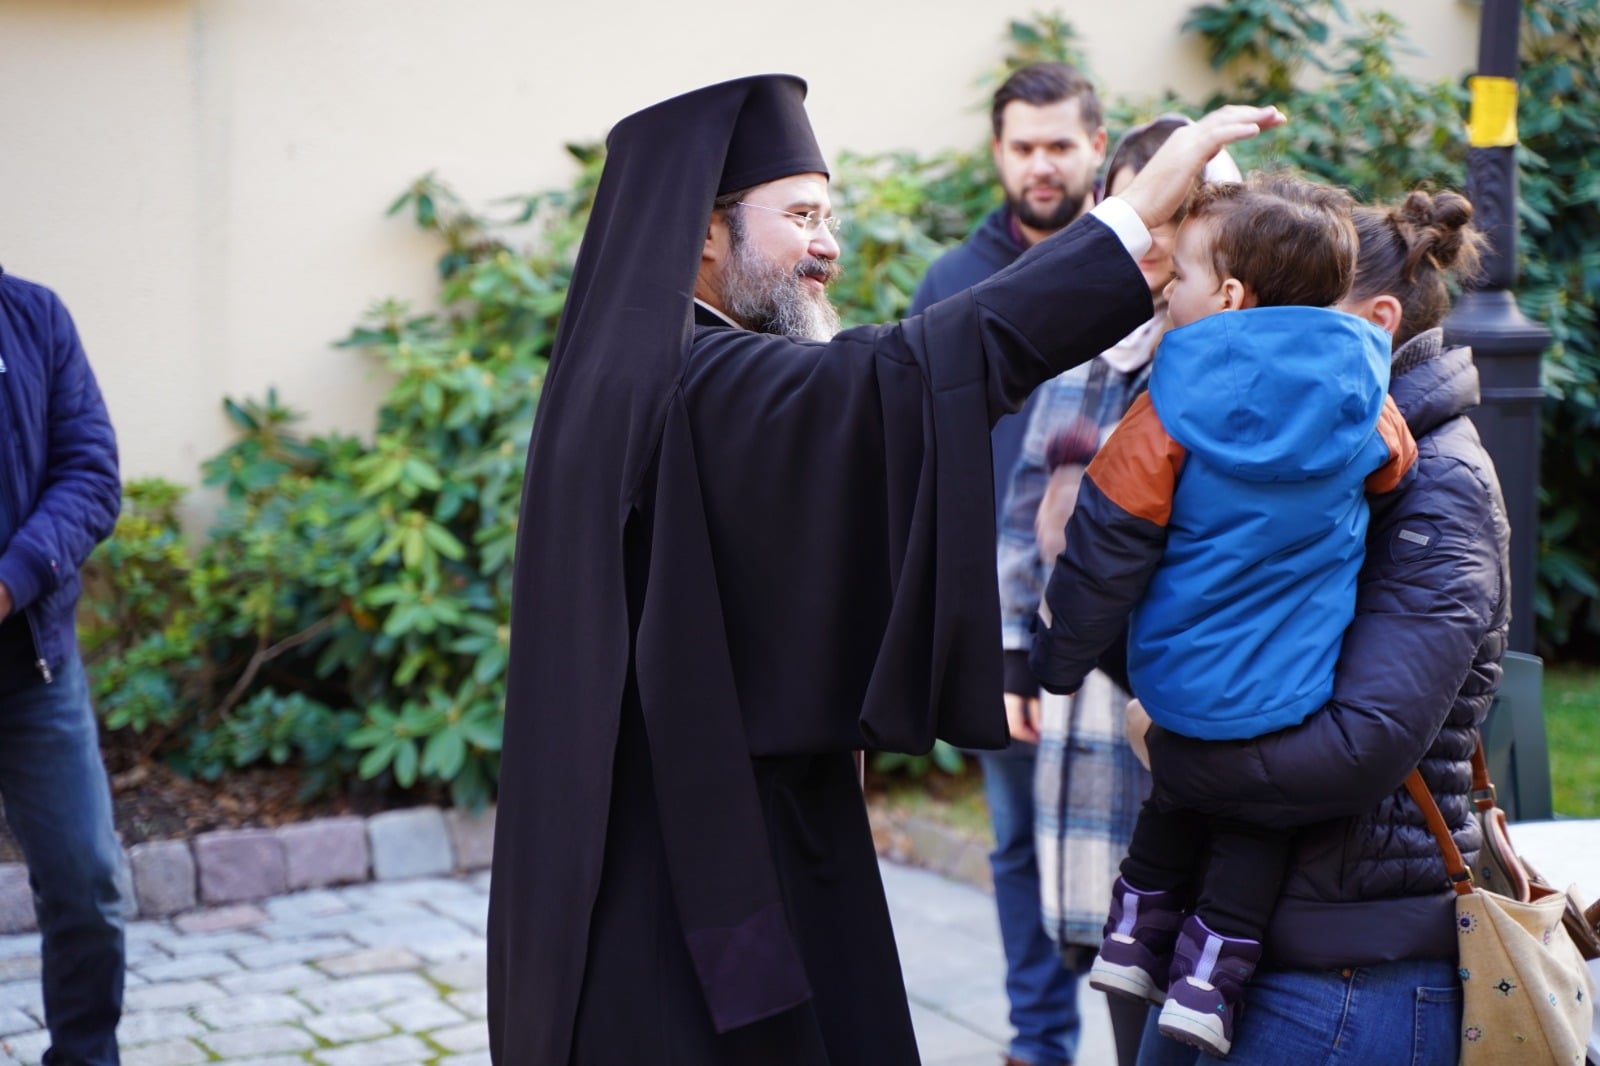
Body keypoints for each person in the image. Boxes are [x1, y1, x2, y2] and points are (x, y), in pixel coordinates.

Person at [483, 72, 1282, 1066]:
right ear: (702, 232)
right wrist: (1125, 222)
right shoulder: (700, 380)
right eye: (803, 215)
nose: (828, 245)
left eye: (830, 214)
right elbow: (912, 372)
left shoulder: (621, 375)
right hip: (688, 874)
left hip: (648, 841)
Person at [1029, 173, 1417, 1056]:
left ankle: (1132, 935)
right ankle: (1209, 985)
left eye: (1183, 277)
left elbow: (1106, 546)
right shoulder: (1366, 398)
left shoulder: (1165, 406)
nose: (1168, 288)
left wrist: (1053, 659)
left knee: (1177, 785)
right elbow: (1395, 469)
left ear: (1230, 296)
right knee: (1255, 825)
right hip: (1295, 686)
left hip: (1177, 679)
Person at [1129, 187, 1504, 1066]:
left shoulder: (1440, 484)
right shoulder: (1312, 458)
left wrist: (1169, 751)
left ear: (1375, 322)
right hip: (1249, 942)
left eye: (1287, 315)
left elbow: (1360, 747)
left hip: (1340, 981)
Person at [1003, 114, 1233, 1066]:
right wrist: (1020, 650)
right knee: (1115, 941)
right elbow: (1023, 516)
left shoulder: (1236, 360)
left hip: (1208, 700)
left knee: (1203, 948)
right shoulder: (1080, 362)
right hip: (1091, 700)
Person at [907, 61, 1108, 1066]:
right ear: (998, 152)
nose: (1039, 165)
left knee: (1137, 850)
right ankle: (1039, 1045)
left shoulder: (1139, 269)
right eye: (1022, 146)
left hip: (1123, 626)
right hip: (997, 629)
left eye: (1058, 145)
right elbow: (925, 469)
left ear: (1096, 149)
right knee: (1019, 843)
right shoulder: (950, 284)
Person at [0, 266, 125, 1065]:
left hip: (31, 666)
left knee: (86, 883)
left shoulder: (34, 317)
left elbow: (90, 473)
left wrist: (10, 583)